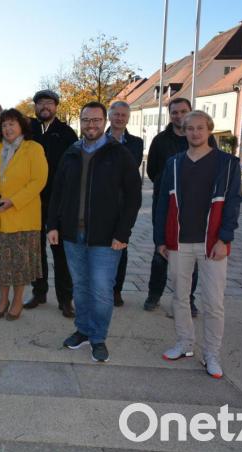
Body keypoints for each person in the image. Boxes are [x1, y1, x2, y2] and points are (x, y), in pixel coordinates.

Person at [47, 102, 141, 362]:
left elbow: (133, 197)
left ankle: (98, 337)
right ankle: (83, 330)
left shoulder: (119, 154)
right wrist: (52, 225)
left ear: (105, 121)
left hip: (105, 237)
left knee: (101, 290)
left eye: (96, 120)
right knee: (80, 287)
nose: (91, 125)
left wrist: (123, 234)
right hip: (71, 236)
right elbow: (57, 192)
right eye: (86, 120)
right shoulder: (71, 153)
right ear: (80, 121)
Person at [155, 110, 242, 379]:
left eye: (200, 128)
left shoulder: (227, 163)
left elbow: (233, 203)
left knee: (213, 303)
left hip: (211, 243)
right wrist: (160, 239)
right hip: (179, 242)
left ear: (209, 130)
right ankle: (184, 343)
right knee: (180, 297)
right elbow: (162, 203)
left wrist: (225, 238)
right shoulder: (174, 163)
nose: (194, 133)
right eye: (189, 128)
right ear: (183, 131)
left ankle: (212, 354)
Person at [0, 108, 48, 321]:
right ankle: (2, 299)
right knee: (0, 265)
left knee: (19, 265)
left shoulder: (33, 149)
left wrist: (13, 201)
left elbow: (38, 181)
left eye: (12, 124)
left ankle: (17, 301)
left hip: (22, 218)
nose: (8, 128)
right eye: (4, 125)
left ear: (21, 126)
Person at [23, 89, 78, 318]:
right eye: (40, 103)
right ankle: (39, 292)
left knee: (60, 253)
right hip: (32, 201)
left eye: (49, 103)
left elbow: (74, 168)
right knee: (35, 252)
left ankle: (65, 299)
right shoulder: (28, 130)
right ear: (35, 107)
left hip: (59, 202)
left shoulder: (66, 133)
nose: (45, 107)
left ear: (56, 106)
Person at [145, 98, 201, 315]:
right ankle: (154, 294)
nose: (179, 116)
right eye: (174, 112)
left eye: (183, 111)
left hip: (194, 206)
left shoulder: (199, 137)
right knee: (160, 252)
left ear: (190, 111)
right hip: (165, 205)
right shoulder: (160, 141)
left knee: (192, 255)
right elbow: (151, 171)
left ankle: (188, 299)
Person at [106, 100, 145, 307]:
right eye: (116, 114)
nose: (120, 118)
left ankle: (116, 290)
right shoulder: (97, 138)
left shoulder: (136, 142)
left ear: (128, 118)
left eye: (123, 115)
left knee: (120, 245)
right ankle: (100, 288)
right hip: (100, 201)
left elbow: (131, 165)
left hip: (124, 204)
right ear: (109, 117)